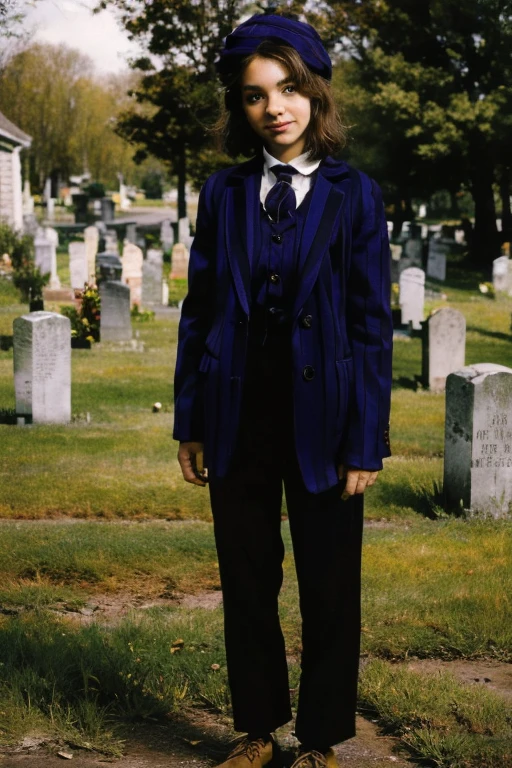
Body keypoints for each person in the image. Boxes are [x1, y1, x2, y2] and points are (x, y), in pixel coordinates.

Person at [174, 12, 392, 768]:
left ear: (315, 93)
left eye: (290, 88)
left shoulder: (355, 194)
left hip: (328, 426)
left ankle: (324, 738)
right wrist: (191, 422)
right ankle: (258, 730)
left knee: (331, 587)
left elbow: (370, 326)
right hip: (236, 414)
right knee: (246, 576)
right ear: (240, 108)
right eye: (255, 95)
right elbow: (199, 312)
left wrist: (366, 438)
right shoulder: (223, 193)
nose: (276, 108)